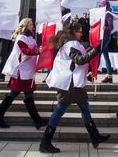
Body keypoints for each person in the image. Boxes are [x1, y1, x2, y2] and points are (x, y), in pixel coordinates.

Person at [39, 23, 109, 153]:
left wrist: (94, 49)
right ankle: (45, 142)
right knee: (60, 109)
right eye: (79, 31)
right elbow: (79, 60)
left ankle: (95, 136)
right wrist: (96, 50)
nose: (81, 34)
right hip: (69, 83)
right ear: (73, 32)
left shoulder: (69, 43)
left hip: (73, 82)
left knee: (84, 107)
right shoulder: (71, 44)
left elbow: (79, 57)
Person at [0, 18, 46, 129]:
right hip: (21, 71)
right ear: (26, 25)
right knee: (15, 95)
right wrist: (37, 51)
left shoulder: (30, 38)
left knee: (26, 96)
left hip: (27, 71)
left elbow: (33, 51)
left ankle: (37, 121)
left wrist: (40, 50)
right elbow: (25, 51)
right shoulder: (21, 38)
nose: (33, 25)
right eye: (31, 24)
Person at [98, 0, 115, 83]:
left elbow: (111, 27)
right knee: (106, 56)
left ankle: (91, 73)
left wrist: (105, 28)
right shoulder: (103, 14)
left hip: (105, 37)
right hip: (102, 37)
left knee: (98, 54)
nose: (100, 7)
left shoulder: (108, 14)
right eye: (100, 6)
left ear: (106, 6)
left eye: (101, 6)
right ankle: (109, 76)